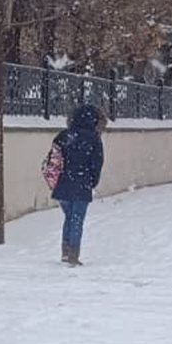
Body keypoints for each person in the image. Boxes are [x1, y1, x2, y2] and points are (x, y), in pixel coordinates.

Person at [52, 104, 106, 266]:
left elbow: (54, 160)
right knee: (77, 219)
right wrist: (92, 181)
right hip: (82, 184)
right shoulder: (94, 139)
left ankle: (65, 251)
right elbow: (97, 164)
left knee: (69, 217)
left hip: (63, 183)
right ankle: (73, 254)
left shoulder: (63, 136)